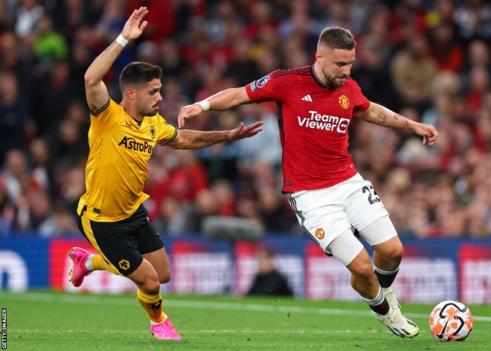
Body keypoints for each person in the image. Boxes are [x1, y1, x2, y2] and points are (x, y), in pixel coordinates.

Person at [178, 26, 438, 338]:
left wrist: (413, 125)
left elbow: (372, 112)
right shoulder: (286, 82)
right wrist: (201, 106)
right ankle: (386, 311)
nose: (347, 71)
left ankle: (381, 294)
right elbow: (239, 94)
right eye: (340, 65)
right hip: (310, 195)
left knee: (393, 250)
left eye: (351, 64)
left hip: (348, 182)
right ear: (320, 57)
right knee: (361, 267)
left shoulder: (349, 88)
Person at [66, 7, 262, 341]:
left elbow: (184, 139)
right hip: (102, 218)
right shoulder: (107, 116)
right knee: (150, 282)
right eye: (153, 91)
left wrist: (226, 136)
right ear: (131, 93)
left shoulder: (154, 124)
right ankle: (160, 322)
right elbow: (90, 78)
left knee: (163, 274)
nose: (161, 97)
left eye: (160, 90)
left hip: (133, 212)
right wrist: (123, 38)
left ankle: (90, 263)